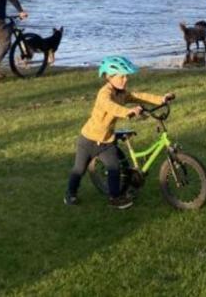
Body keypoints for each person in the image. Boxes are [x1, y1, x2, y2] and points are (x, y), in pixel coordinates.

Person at [65, 55, 174, 207]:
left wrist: (161, 99)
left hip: (106, 140)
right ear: (110, 77)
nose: (125, 79)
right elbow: (110, 107)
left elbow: (138, 96)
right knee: (79, 169)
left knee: (114, 168)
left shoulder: (121, 93)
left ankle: (115, 198)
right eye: (122, 76)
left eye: (126, 76)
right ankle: (70, 194)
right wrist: (127, 112)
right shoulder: (104, 94)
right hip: (89, 139)